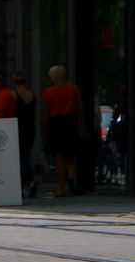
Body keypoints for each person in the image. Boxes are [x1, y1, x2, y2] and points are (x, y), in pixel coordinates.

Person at [41, 64, 85, 197]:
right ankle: (71, 177)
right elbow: (79, 108)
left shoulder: (49, 92)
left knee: (58, 157)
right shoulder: (73, 89)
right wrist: (81, 126)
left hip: (56, 123)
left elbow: (46, 112)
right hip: (70, 122)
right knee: (70, 155)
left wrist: (44, 130)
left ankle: (62, 188)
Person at [13, 70, 38, 198]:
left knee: (21, 157)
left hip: (19, 127)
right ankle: (27, 184)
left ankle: (29, 184)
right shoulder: (32, 94)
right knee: (24, 156)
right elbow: (34, 114)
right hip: (30, 128)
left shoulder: (15, 95)